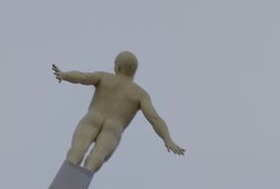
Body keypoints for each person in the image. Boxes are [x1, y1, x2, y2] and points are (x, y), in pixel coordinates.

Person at [52, 51, 184, 172]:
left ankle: (67, 174)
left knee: (77, 149)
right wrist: (167, 139)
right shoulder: (141, 94)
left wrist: (65, 75)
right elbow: (154, 119)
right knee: (96, 158)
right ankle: (84, 176)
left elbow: (82, 77)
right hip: (114, 128)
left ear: (118, 67)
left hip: (92, 119)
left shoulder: (104, 77)